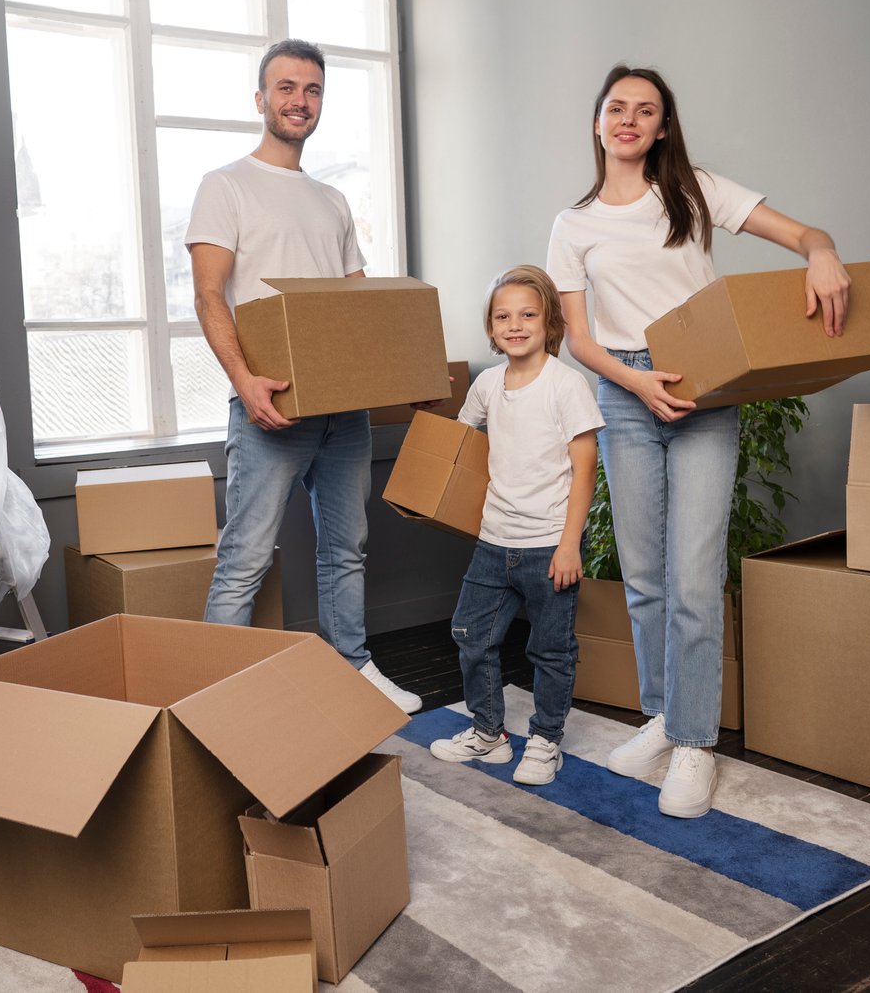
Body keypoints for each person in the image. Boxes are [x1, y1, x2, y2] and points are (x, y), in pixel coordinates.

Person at [547, 64, 851, 817]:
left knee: (692, 573)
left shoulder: (695, 189)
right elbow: (578, 341)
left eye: (646, 111)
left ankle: (694, 743)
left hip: (706, 387)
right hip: (624, 392)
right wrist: (637, 381)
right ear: (597, 122)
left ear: (661, 127)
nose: (629, 119)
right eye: (617, 107)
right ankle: (662, 716)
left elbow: (805, 232)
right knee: (645, 574)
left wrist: (822, 252)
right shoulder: (573, 224)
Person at [186, 39, 421, 713]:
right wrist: (244, 382)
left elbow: (356, 303)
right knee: (246, 560)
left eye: (312, 89)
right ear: (261, 100)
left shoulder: (332, 200)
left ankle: (352, 665)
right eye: (286, 88)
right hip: (269, 405)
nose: (300, 100)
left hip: (342, 410)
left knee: (345, 548)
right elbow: (209, 294)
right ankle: (213, 701)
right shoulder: (224, 185)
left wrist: (395, 372)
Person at [430, 266, 602, 786]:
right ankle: (489, 732)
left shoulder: (566, 384)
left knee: (549, 649)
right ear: (490, 326)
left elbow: (586, 466)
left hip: (549, 544)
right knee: (471, 634)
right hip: (492, 540)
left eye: (528, 314)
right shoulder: (487, 384)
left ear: (549, 321)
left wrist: (570, 545)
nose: (515, 324)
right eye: (503, 316)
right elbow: (458, 443)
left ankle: (547, 739)